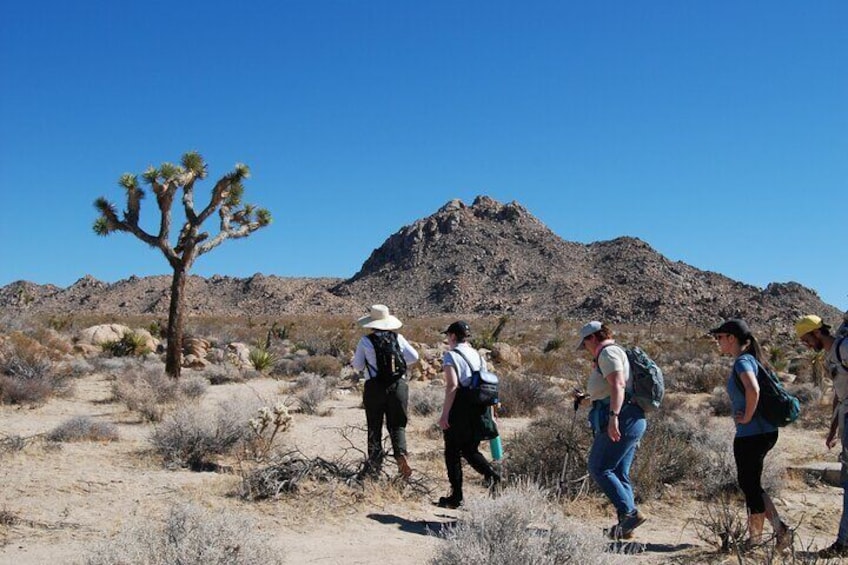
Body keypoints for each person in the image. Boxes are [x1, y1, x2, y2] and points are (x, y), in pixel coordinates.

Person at [710, 318, 790, 550]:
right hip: (764, 432)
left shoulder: (743, 362)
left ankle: (755, 540)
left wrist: (746, 417)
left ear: (732, 338)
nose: (718, 342)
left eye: (720, 337)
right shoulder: (753, 360)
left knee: (750, 486)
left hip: (751, 434)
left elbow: (752, 389)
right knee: (752, 484)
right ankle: (780, 530)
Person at [572, 321, 647, 539]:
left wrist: (614, 418)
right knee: (619, 472)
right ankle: (626, 527)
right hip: (629, 418)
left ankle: (629, 514)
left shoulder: (608, 353)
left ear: (592, 338)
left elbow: (618, 385)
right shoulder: (611, 353)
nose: (585, 348)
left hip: (622, 418)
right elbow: (608, 391)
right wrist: (586, 399)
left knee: (599, 467)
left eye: (585, 343)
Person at [795, 315, 848, 558]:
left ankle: (844, 543)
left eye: (806, 339)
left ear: (817, 332)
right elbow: (839, 394)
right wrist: (833, 428)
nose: (806, 345)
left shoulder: (844, 348)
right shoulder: (830, 356)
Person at [437, 320, 500, 509]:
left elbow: (452, 385)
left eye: (448, 335)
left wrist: (445, 414)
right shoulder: (477, 355)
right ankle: (492, 475)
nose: (447, 339)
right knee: (470, 449)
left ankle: (456, 496)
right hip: (478, 407)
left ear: (453, 336)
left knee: (452, 452)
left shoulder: (451, 356)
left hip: (460, 408)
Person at [352, 304, 419, 479]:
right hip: (398, 386)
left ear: (372, 323)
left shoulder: (366, 341)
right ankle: (401, 455)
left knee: (374, 426)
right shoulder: (399, 338)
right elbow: (414, 357)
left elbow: (358, 365)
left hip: (374, 387)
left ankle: (375, 466)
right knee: (397, 425)